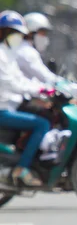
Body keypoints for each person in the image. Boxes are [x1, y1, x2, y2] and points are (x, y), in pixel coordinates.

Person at [0, 10, 52, 186]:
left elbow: (20, 80)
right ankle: (22, 168)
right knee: (42, 123)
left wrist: (43, 90)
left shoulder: (8, 54)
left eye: (18, 34)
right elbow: (13, 85)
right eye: (12, 33)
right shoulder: (1, 55)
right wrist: (43, 91)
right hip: (3, 111)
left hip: (9, 106)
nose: (16, 38)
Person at [16, 12, 77, 98]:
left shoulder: (23, 49)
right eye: (42, 33)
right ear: (31, 33)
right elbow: (46, 77)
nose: (45, 38)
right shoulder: (26, 52)